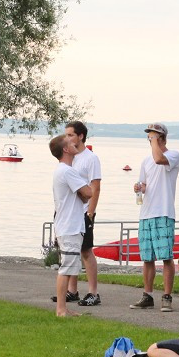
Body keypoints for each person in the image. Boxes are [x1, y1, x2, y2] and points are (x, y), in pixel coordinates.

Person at [131, 123, 179, 312]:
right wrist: (139, 188)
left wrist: (155, 142)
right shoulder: (146, 161)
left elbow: (160, 158)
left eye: (154, 136)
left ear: (162, 138)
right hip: (146, 213)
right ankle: (147, 295)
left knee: (166, 256)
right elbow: (145, 184)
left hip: (164, 212)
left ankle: (167, 297)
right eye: (149, 136)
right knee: (147, 258)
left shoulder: (173, 155)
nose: (150, 139)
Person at [48, 134, 94, 317]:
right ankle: (61, 309)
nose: (74, 143)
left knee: (68, 266)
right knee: (66, 268)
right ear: (65, 150)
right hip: (69, 226)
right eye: (69, 142)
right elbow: (88, 192)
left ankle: (63, 308)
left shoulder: (65, 171)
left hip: (69, 225)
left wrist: (83, 193)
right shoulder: (67, 171)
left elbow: (83, 194)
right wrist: (84, 191)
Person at [63, 121, 102, 306]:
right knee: (70, 249)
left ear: (80, 136)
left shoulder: (90, 158)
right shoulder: (69, 157)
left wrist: (91, 212)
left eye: (71, 135)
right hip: (69, 211)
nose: (68, 138)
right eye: (66, 135)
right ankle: (72, 290)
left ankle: (93, 293)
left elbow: (95, 187)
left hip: (84, 211)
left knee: (86, 250)